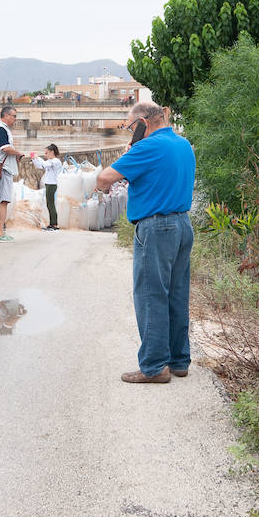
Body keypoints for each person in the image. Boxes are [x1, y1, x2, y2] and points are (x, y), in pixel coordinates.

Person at [95, 101, 195, 384]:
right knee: (176, 293)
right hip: (183, 224)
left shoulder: (146, 147)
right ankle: (178, 361)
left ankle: (153, 366)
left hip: (156, 227)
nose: (129, 130)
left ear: (143, 122)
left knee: (151, 295)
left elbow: (105, 179)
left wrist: (128, 154)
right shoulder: (183, 144)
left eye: (129, 126)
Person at [0, 105, 24, 242]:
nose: (15, 119)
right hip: (3, 169)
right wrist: (19, 153)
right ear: (6, 116)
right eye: (14, 116)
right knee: (2, 201)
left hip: (2, 168)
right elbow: (4, 148)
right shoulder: (0, 129)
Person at [30, 143, 62, 231]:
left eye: (46, 153)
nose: (45, 155)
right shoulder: (50, 161)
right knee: (49, 204)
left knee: (51, 204)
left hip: (52, 184)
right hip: (48, 184)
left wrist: (37, 157)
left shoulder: (55, 161)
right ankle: (52, 224)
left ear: (52, 152)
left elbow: (44, 165)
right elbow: (39, 166)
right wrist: (34, 159)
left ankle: (54, 224)